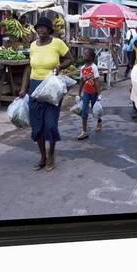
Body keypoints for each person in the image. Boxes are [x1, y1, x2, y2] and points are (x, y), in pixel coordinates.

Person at [19, 17, 73, 172]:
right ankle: (42, 156)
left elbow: (70, 59)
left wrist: (59, 66)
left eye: (44, 27)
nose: (41, 30)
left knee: (50, 124)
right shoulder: (33, 46)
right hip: (35, 87)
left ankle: (51, 154)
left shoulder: (57, 43)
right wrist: (23, 88)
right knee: (37, 126)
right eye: (39, 27)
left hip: (51, 87)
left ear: (50, 30)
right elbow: (28, 68)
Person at [77, 48, 102, 140]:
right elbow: (82, 81)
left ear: (91, 57)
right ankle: (84, 131)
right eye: (84, 54)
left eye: (86, 54)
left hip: (94, 93)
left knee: (95, 110)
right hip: (86, 92)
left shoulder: (94, 67)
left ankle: (99, 121)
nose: (84, 56)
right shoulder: (82, 68)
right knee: (84, 111)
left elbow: (96, 81)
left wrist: (99, 94)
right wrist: (79, 93)